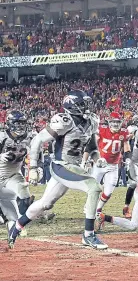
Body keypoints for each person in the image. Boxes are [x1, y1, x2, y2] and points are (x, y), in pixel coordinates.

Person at [8, 90, 107, 249]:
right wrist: (33, 166)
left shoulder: (92, 120)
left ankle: (17, 227)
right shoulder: (64, 120)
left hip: (73, 167)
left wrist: (97, 158)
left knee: (45, 204)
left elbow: (92, 146)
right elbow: (38, 140)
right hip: (61, 165)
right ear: (72, 107)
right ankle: (88, 235)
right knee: (94, 188)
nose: (86, 107)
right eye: (82, 104)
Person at [89, 111, 130, 230]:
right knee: (93, 188)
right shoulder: (102, 131)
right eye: (114, 122)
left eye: (118, 122)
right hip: (100, 164)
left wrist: (128, 157)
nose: (116, 124)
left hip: (113, 166)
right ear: (109, 122)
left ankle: (97, 211)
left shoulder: (123, 133)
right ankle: (89, 208)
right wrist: (93, 158)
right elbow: (93, 143)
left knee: (108, 191)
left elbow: (126, 145)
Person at [0, 111, 34, 248]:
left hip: (13, 175)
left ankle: (18, 225)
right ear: (9, 124)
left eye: (22, 123)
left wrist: (35, 169)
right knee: (6, 215)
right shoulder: (2, 136)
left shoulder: (29, 137)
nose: (20, 126)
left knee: (24, 192)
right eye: (17, 123)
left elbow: (35, 153)